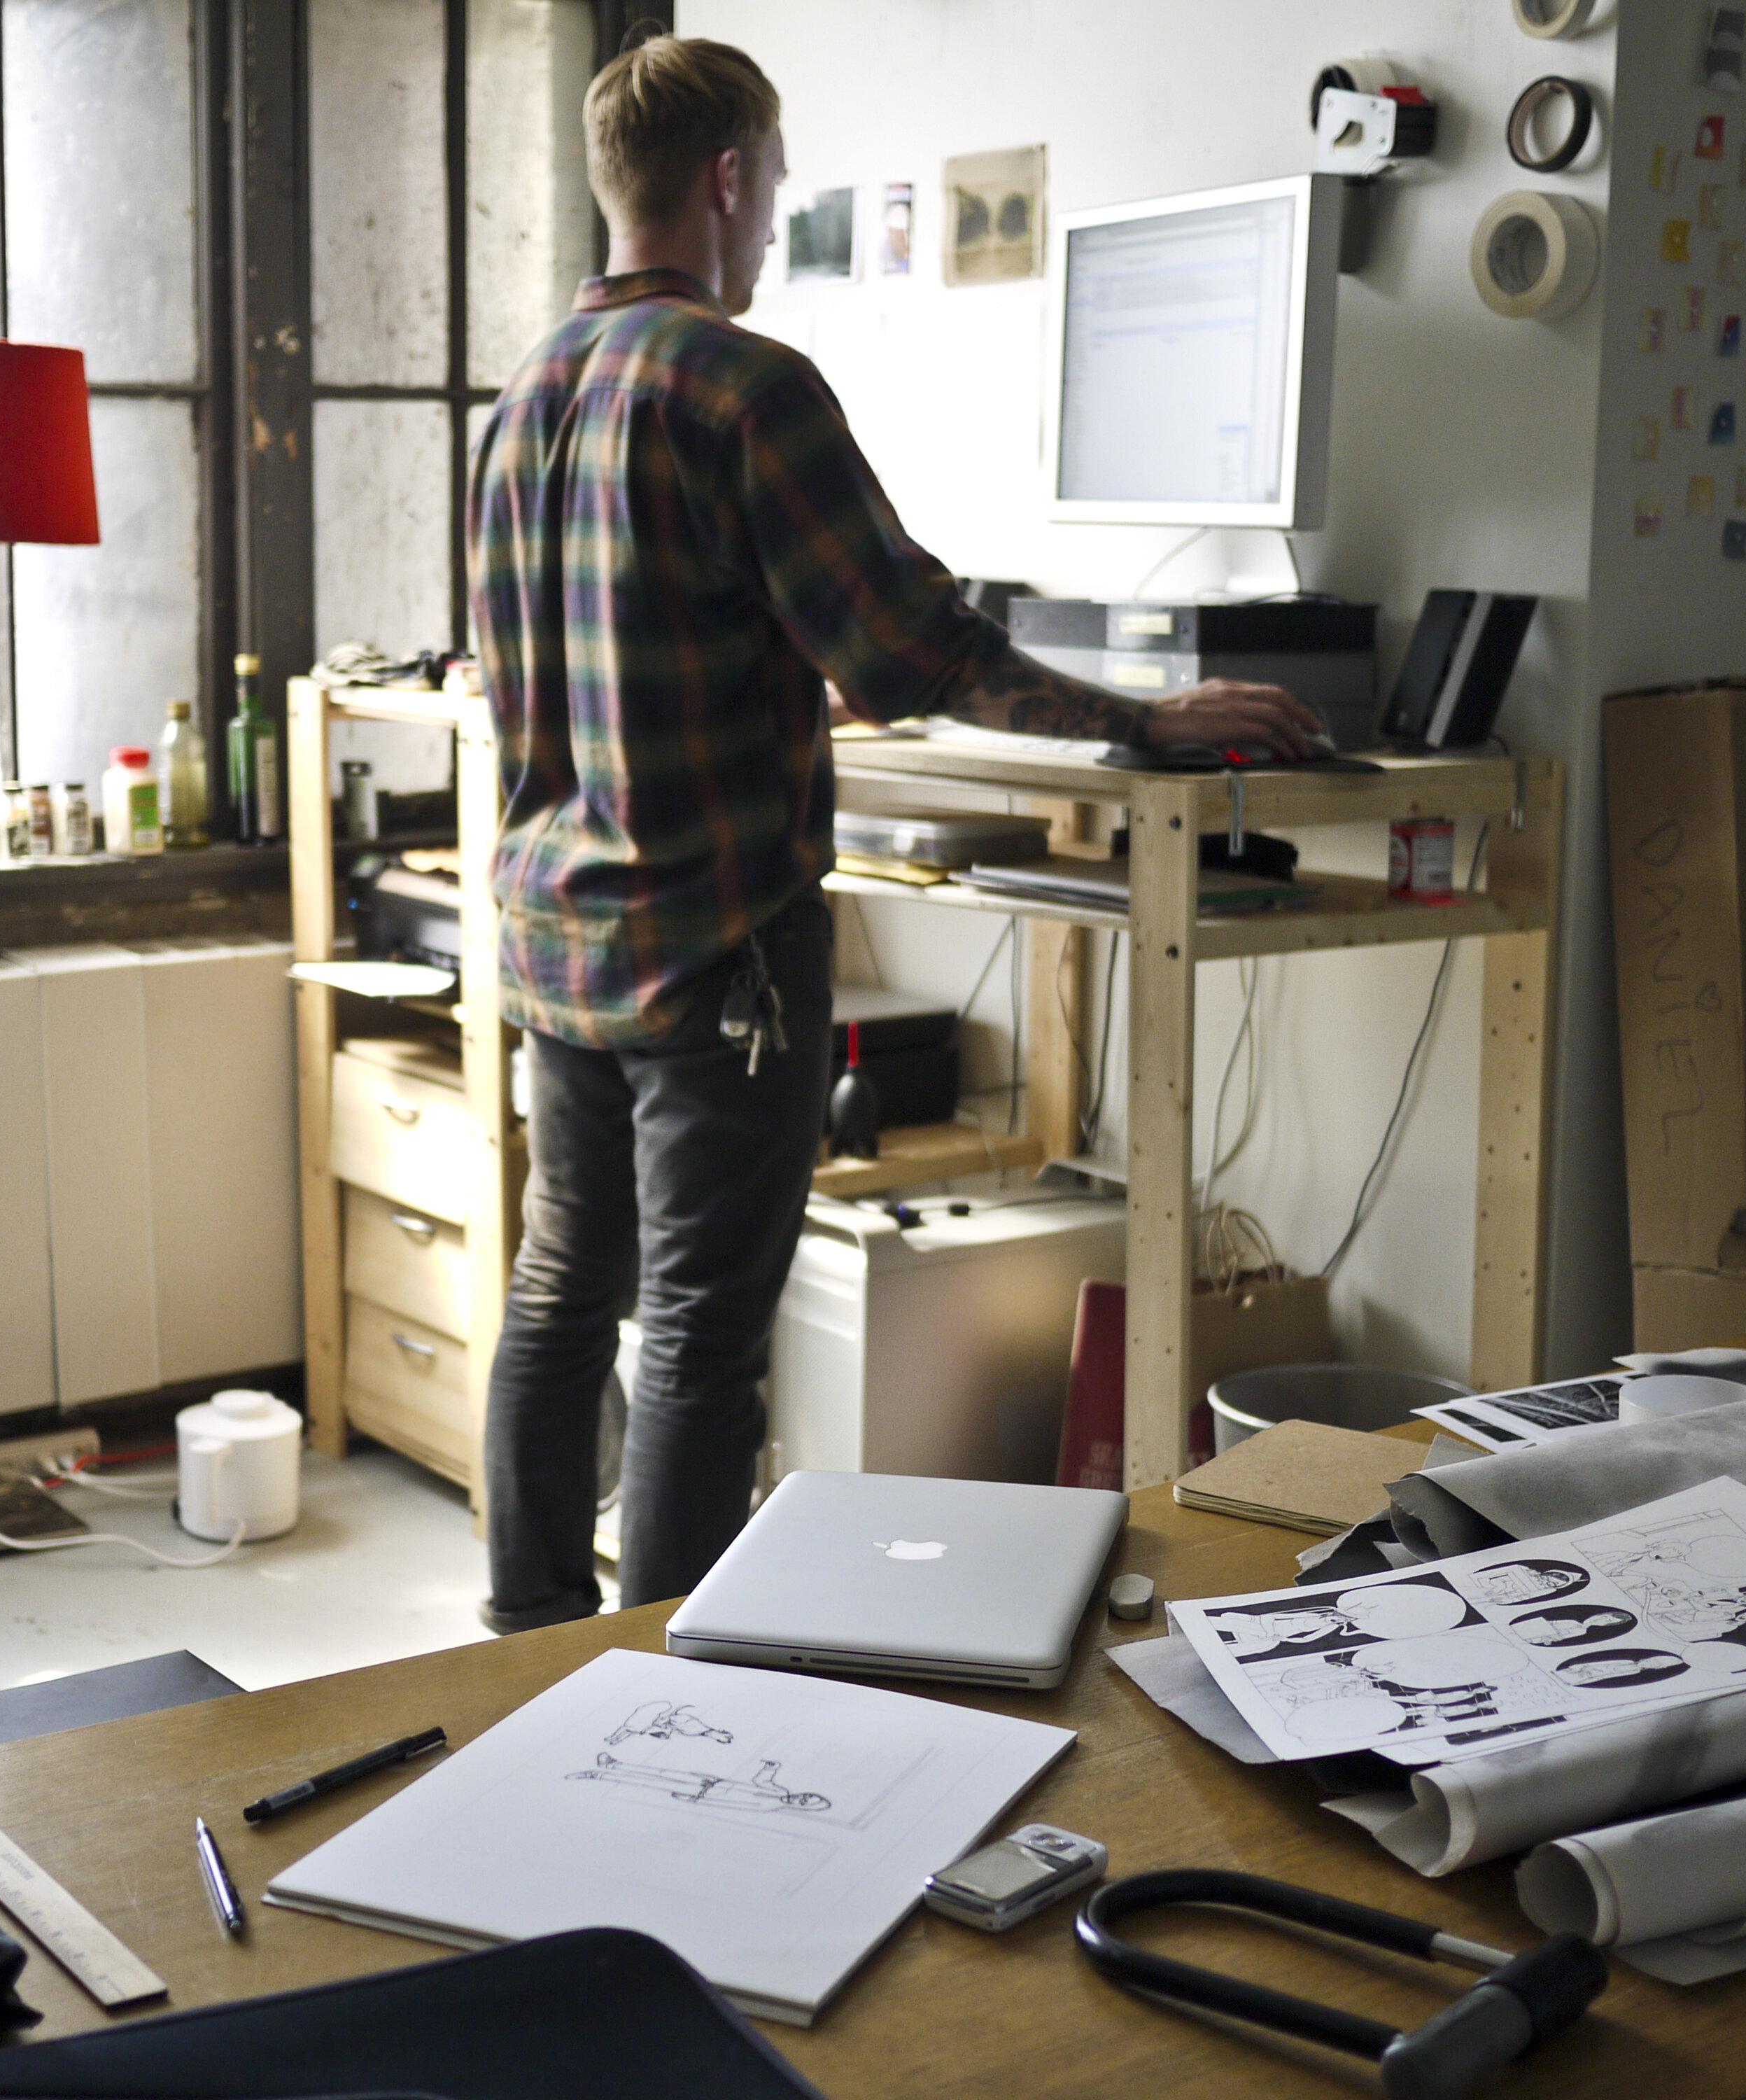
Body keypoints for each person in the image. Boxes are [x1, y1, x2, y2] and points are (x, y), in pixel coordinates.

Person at [465, 34, 1325, 1632]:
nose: (773, 213)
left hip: (559, 941)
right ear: (727, 180)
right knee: (699, 1334)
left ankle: (528, 1638)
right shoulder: (743, 386)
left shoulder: (522, 398)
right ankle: (662, 1675)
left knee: (557, 1297)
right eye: (773, 183)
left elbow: (604, 651)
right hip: (715, 952)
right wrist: (1146, 719)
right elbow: (913, 650)